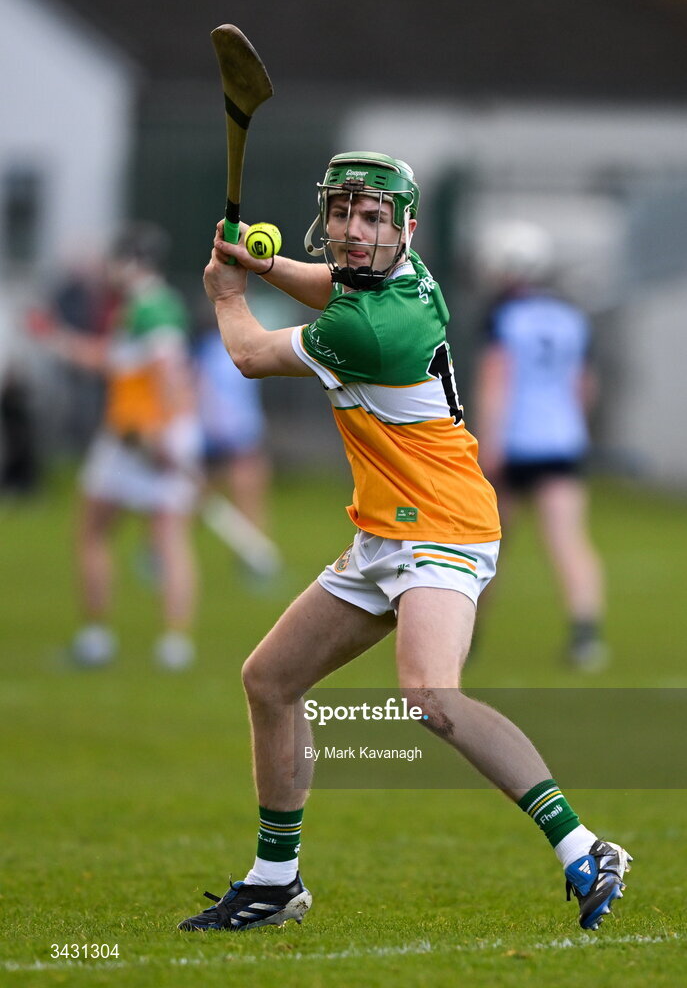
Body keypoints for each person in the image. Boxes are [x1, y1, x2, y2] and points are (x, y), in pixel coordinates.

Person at [178, 153, 631, 933]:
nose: (355, 233)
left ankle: (585, 848)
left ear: (405, 229)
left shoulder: (368, 329)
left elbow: (250, 355)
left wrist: (228, 292)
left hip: (445, 528)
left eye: (373, 219)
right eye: (345, 215)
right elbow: (329, 282)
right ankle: (274, 882)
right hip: (382, 533)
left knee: (430, 697)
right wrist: (261, 261)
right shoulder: (395, 277)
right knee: (269, 680)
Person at [33, 223, 200, 670]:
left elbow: (169, 372)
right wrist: (56, 338)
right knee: (165, 538)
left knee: (101, 532)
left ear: (132, 261)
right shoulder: (144, 306)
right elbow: (113, 361)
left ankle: (101, 639)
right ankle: (171, 644)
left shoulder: (151, 307)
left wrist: (162, 434)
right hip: (143, 433)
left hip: (142, 435)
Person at [473, 221, 607, 671]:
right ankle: (586, 636)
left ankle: (465, 637)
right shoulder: (572, 316)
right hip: (562, 442)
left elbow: (497, 381)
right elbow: (584, 386)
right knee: (569, 540)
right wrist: (575, 428)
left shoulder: (500, 316)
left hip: (513, 443)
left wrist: (488, 440)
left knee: (488, 546)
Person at [193, 307, 281, 578]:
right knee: (244, 500)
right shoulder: (223, 350)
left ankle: (159, 554)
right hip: (233, 435)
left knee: (194, 497)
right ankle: (257, 561)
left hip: (220, 434)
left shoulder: (207, 351)